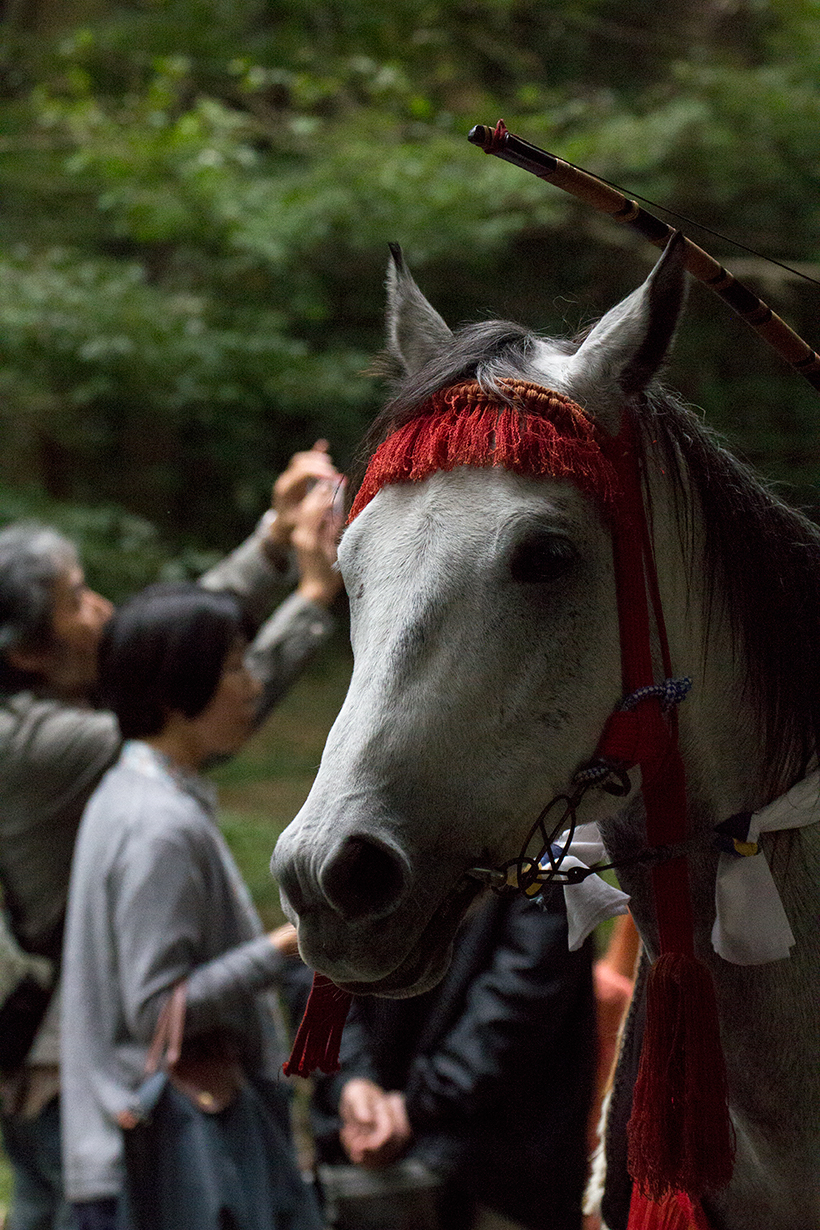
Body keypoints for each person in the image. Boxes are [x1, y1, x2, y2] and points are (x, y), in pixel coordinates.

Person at [0, 443, 341, 1230]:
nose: (103, 611)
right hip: (89, 1077)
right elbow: (184, 668)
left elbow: (176, 645)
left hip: (78, 1060)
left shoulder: (120, 754)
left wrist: (270, 541)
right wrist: (313, 595)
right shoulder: (60, 753)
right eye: (77, 601)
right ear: (25, 652)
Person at [60, 581, 329, 1230]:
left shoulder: (132, 791)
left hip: (128, 1153)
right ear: (173, 693)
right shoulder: (159, 824)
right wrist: (290, 944)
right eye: (234, 666)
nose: (253, 686)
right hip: (161, 1166)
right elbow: (157, 1009)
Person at [308, 889, 597, 1230]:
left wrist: (411, 1105)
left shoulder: (548, 849)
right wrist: (351, 1081)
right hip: (368, 1156)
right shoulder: (335, 841)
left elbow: (527, 986)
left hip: (495, 1165)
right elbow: (316, 955)